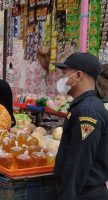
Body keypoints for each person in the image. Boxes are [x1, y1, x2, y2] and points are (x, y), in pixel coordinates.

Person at [53, 52, 108, 199]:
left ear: (78, 75)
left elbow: (79, 162)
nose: (62, 79)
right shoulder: (83, 105)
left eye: (65, 74)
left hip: (85, 194)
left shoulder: (87, 111)